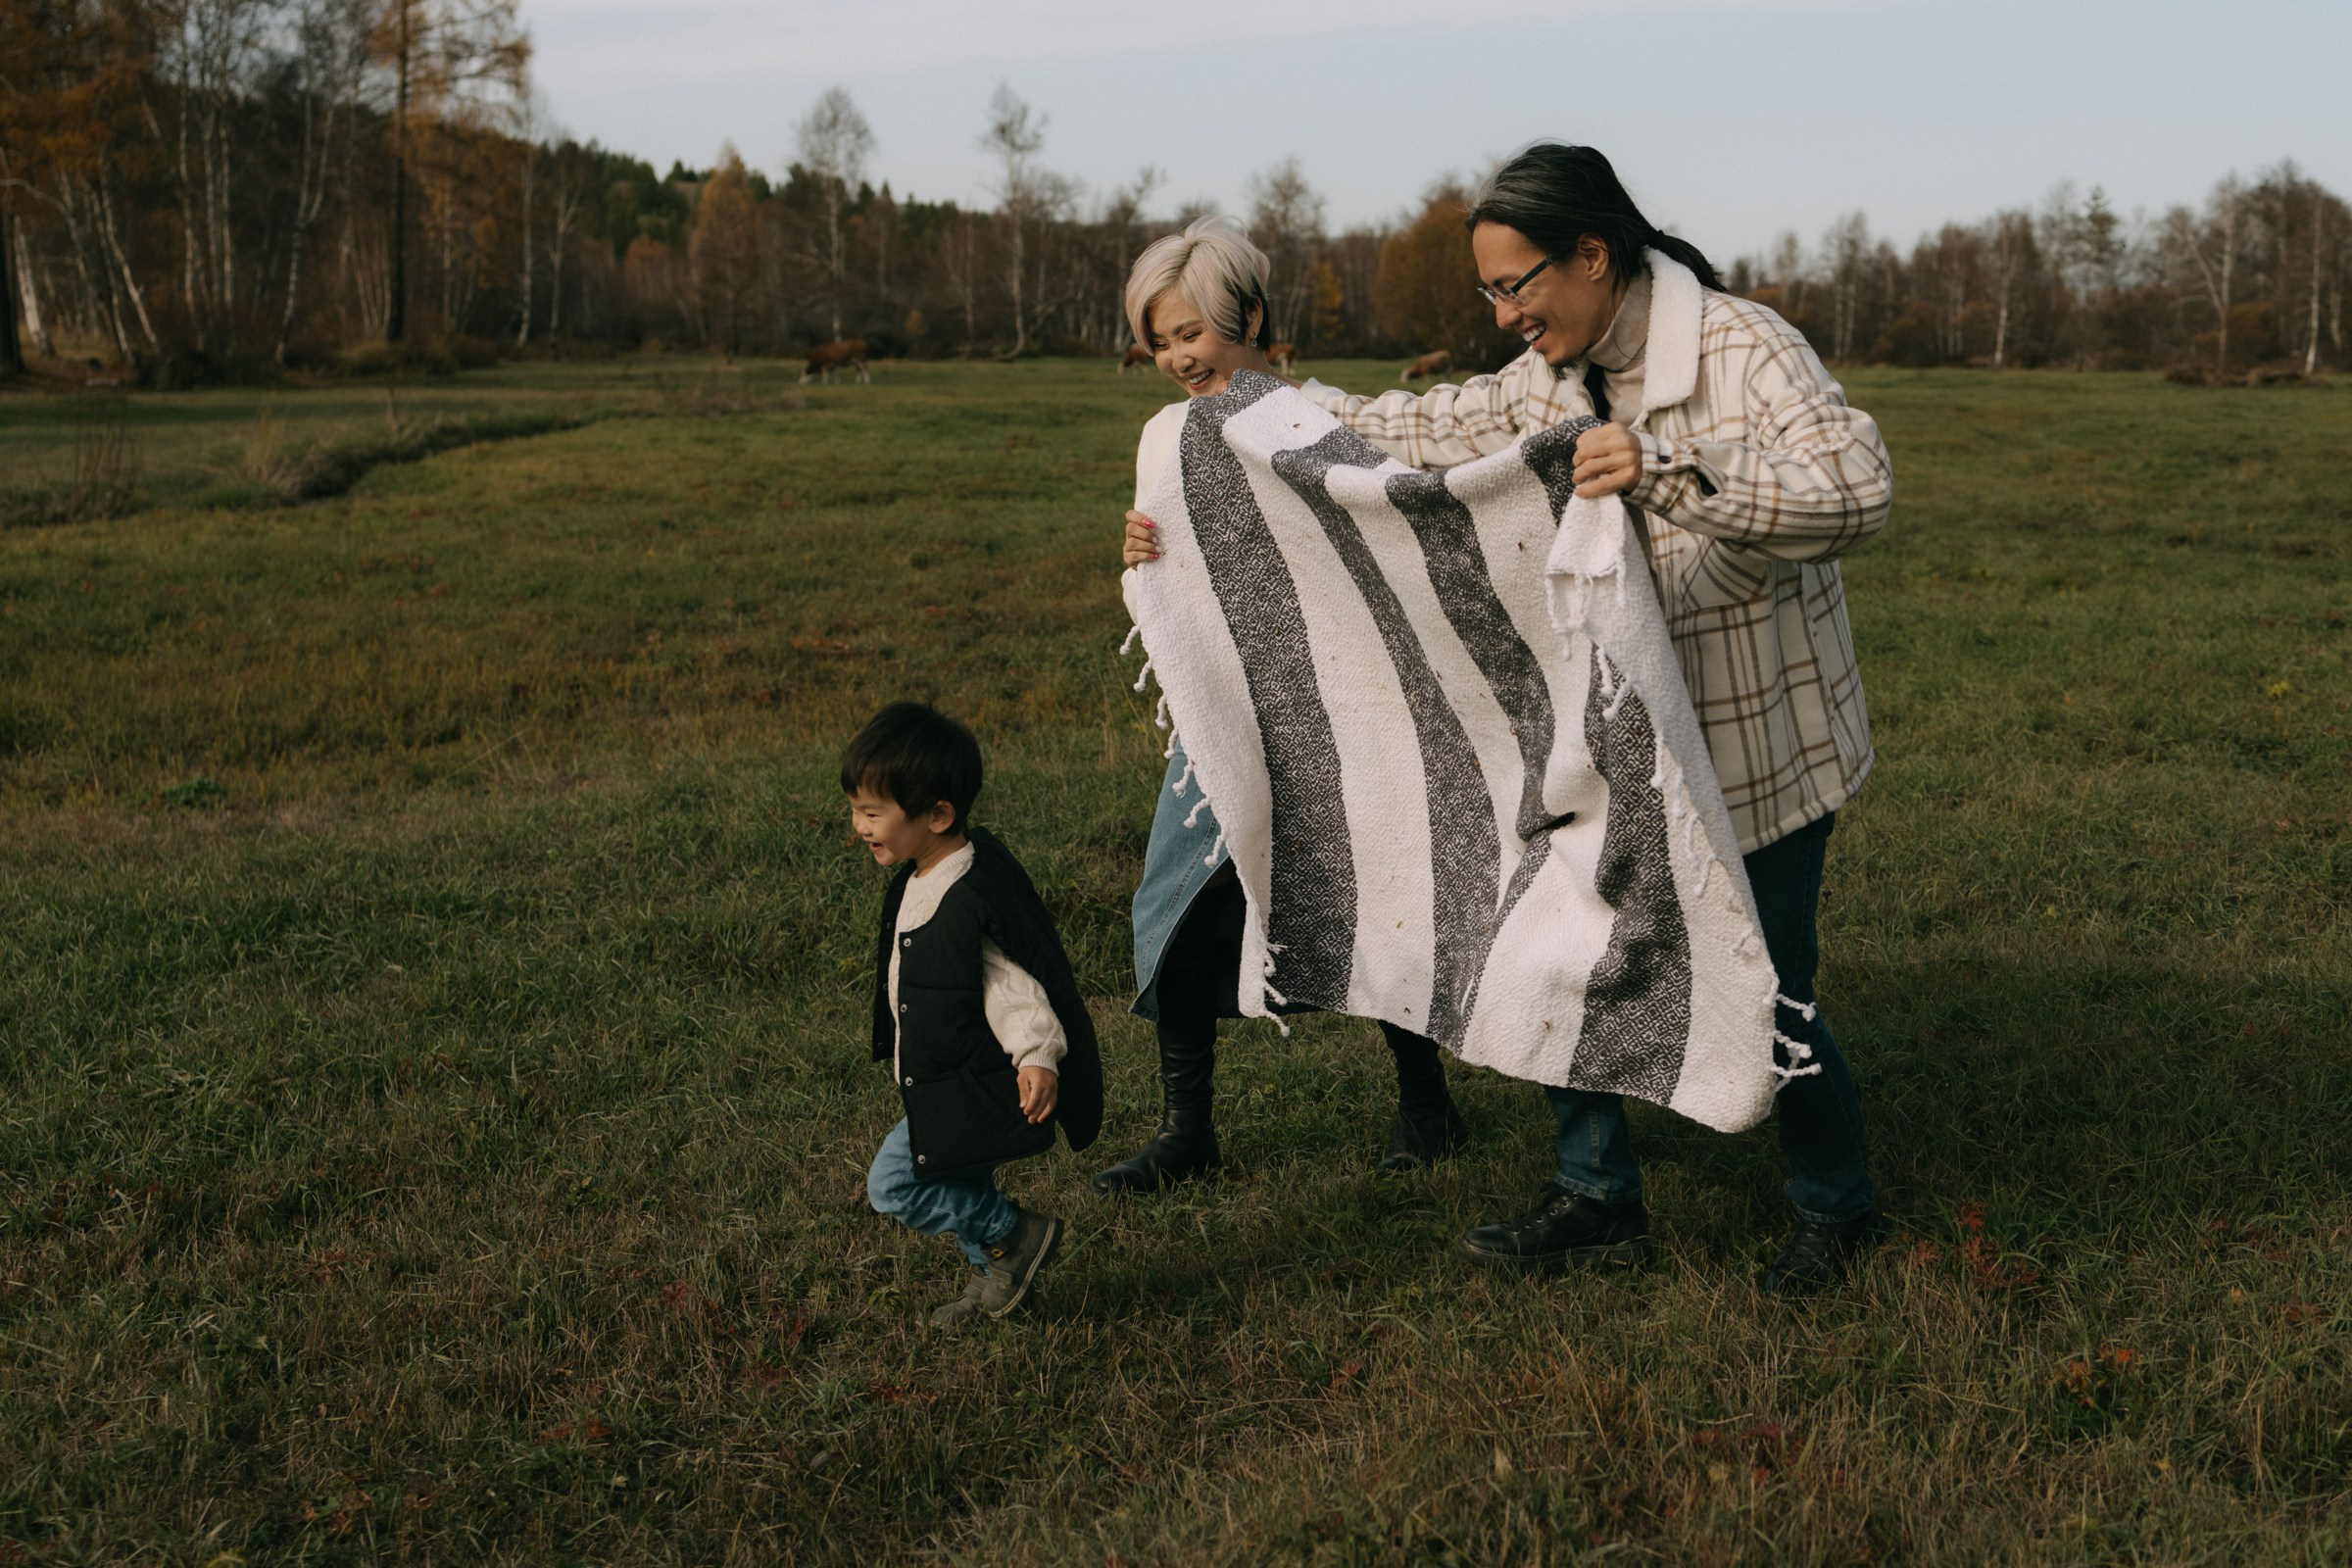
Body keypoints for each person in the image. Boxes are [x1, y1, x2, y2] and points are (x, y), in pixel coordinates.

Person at [1122, 146, 1891, 1297]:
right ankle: (1597, 1198)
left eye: (1516, 285)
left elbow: (1858, 486)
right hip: (1599, 731)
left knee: (1770, 982)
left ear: (1592, 255)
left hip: (1755, 744)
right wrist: (1235, 423)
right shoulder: (1545, 373)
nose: (1504, 314)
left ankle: (1838, 1208)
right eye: (1488, 293)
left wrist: (1666, 465)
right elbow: (1430, 428)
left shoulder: (1742, 344)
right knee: (1555, 942)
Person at [1098, 216, 1468, 1197]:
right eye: (1161, 338)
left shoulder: (1309, 421)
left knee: (1382, 905)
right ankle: (1187, 1131)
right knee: (1173, 905)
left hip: (1347, 713)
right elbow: (1180, 578)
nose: (1176, 356)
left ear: (1251, 316)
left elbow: (1388, 538)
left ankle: (1426, 1102)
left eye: (1193, 333)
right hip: (1221, 722)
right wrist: (1144, 561)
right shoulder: (1164, 436)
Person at [847, 701, 1104, 1324]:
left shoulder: (967, 896)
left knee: (893, 1185)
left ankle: (1013, 1234)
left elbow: (1015, 985)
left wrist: (1038, 1054)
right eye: (855, 808)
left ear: (938, 815)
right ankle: (1000, 1284)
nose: (859, 824)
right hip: (947, 1075)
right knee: (961, 1184)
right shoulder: (923, 872)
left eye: (873, 812)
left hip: (969, 1087)